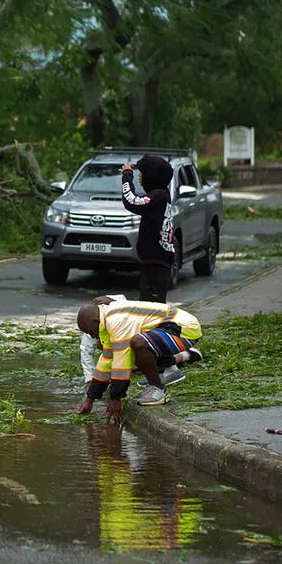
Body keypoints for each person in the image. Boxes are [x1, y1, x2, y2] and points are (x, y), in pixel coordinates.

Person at [76, 298, 204, 420]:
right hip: (168, 329)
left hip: (184, 330)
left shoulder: (116, 321)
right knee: (135, 347)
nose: (91, 336)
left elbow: (122, 363)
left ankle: (158, 389)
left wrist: (116, 399)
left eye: (90, 331)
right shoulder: (106, 321)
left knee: (138, 343)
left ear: (95, 321)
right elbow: (107, 360)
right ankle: (164, 375)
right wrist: (90, 398)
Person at [79, 294, 187, 391]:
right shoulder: (92, 327)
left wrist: (116, 391)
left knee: (137, 345)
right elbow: (87, 351)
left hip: (176, 330)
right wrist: (90, 380)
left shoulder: (120, 315)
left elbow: (122, 359)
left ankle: (169, 372)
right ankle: (185, 357)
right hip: (172, 331)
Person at [120, 155, 176, 303]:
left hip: (157, 262)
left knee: (152, 308)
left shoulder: (159, 196)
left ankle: (156, 327)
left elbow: (131, 201)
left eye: (142, 173)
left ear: (151, 176)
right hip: (154, 261)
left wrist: (127, 176)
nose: (139, 176)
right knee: (149, 306)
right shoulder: (161, 195)